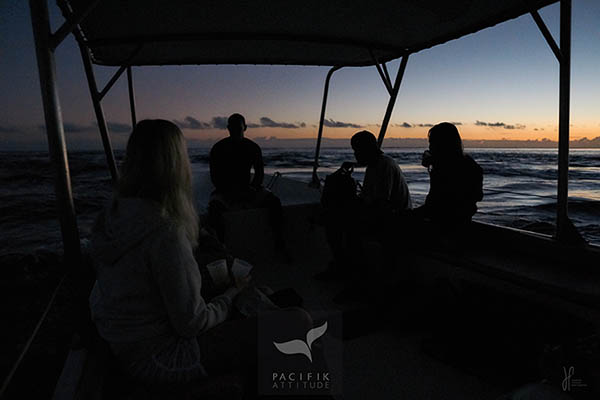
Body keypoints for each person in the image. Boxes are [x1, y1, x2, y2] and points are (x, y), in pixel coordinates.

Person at [89, 119, 309, 387]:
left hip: (127, 343)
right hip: (163, 355)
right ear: (176, 163)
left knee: (251, 295)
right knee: (296, 320)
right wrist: (231, 293)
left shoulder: (113, 216)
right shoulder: (164, 232)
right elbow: (192, 324)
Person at [317, 130, 412, 286]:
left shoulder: (384, 166)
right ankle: (344, 268)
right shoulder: (375, 166)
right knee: (335, 219)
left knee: (346, 227)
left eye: (357, 151)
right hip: (386, 215)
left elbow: (381, 205)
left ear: (367, 149)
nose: (355, 155)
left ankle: (354, 275)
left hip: (395, 219)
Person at [208, 113, 287, 257]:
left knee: (274, 202)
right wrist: (228, 191)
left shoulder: (253, 147)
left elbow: (259, 174)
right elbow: (215, 177)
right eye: (232, 128)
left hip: (249, 189)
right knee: (213, 209)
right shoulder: (218, 148)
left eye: (238, 128)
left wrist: (252, 188)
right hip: (225, 191)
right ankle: (221, 250)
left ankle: (279, 242)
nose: (235, 130)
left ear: (245, 128)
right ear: (228, 128)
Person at [413, 122, 483, 230]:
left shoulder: (445, 169)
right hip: (461, 224)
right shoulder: (468, 164)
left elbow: (435, 206)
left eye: (432, 143)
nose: (430, 147)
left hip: (446, 227)